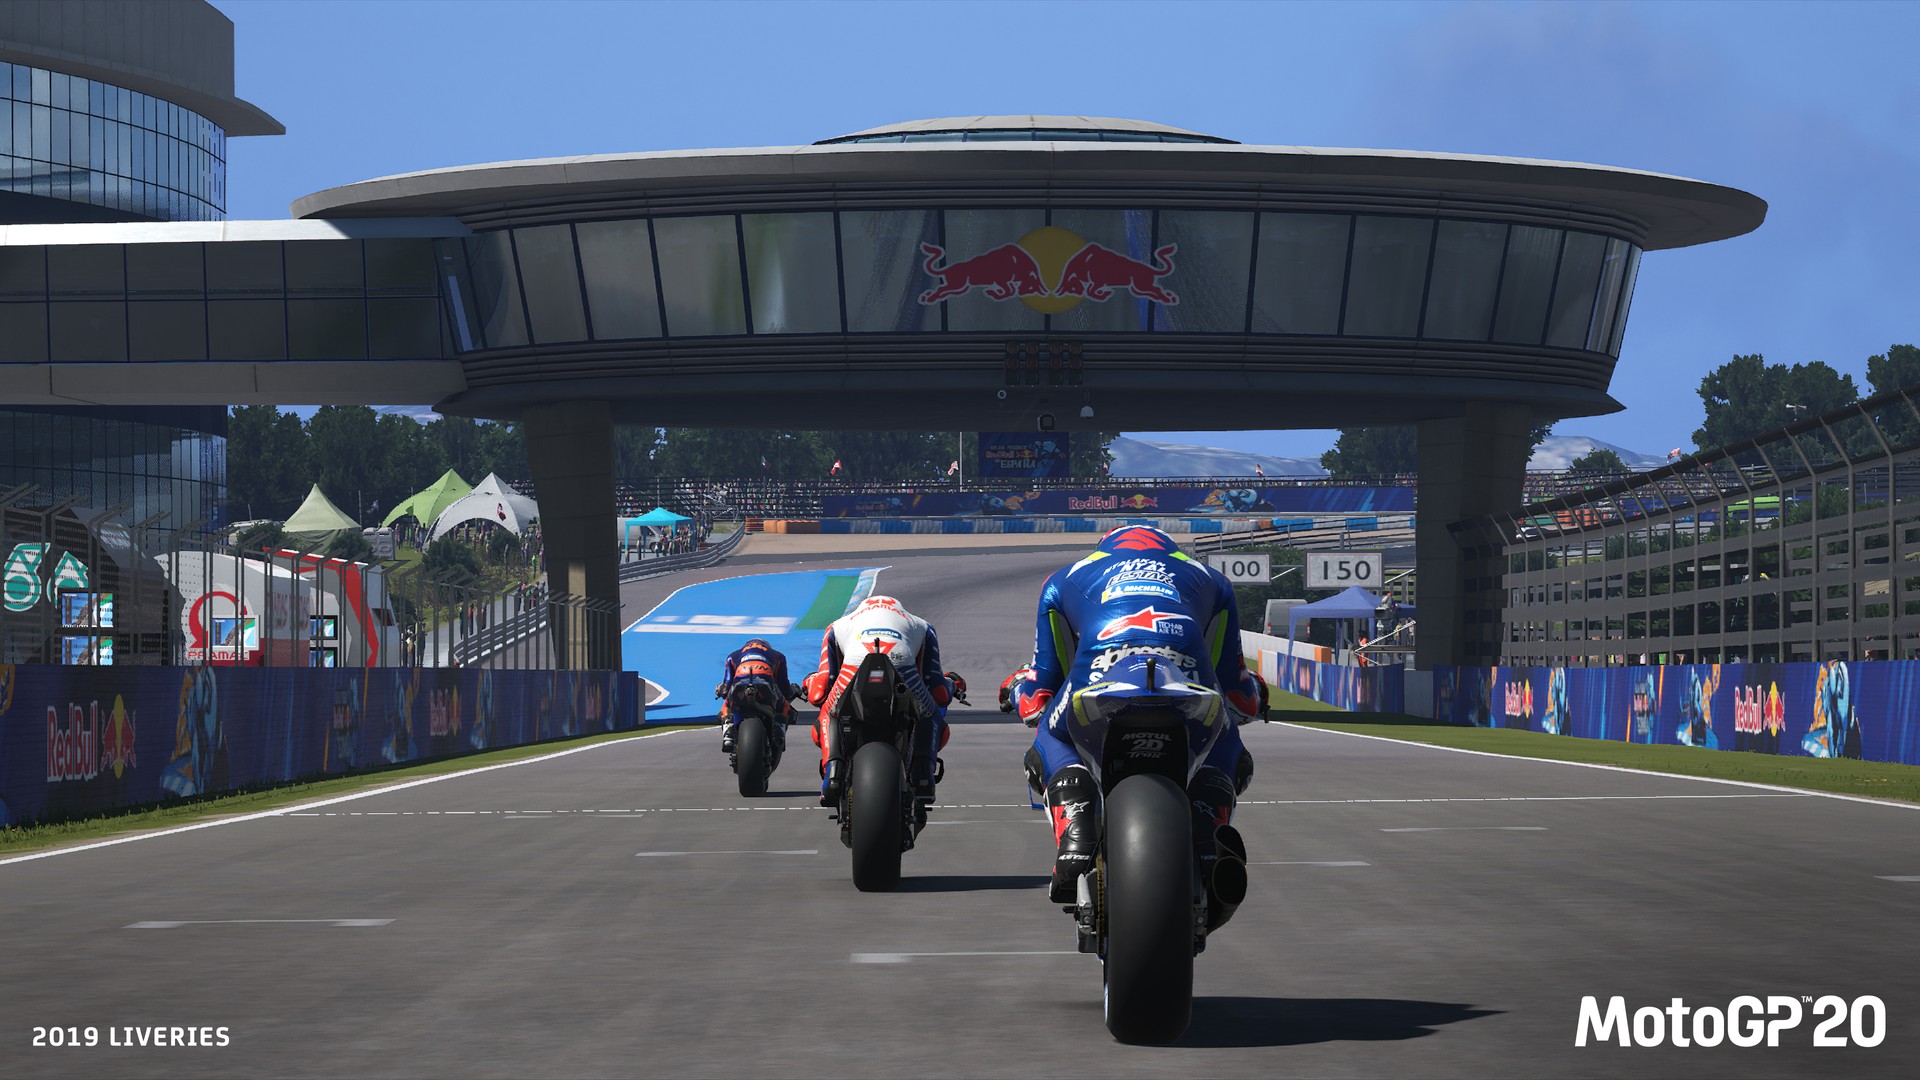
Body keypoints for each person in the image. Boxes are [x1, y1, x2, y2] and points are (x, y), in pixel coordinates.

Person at [1012, 525, 1266, 904]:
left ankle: (1076, 832)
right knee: (1224, 738)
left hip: (1100, 669)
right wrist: (1257, 693)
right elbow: (1240, 697)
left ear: (1105, 548)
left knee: (1053, 734)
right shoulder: (1211, 578)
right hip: (1182, 670)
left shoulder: (1066, 577)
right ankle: (1208, 834)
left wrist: (1017, 688)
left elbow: (1036, 697)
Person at [801, 595, 956, 809]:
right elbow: (939, 691)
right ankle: (923, 776)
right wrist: (952, 684)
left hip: (855, 663)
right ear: (898, 610)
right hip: (902, 662)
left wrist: (808, 681)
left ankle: (832, 775)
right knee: (930, 714)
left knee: (829, 714)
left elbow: (819, 691)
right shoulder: (921, 624)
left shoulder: (838, 625)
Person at [714, 637, 802, 752]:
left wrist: (720, 690)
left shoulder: (733, 655)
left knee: (727, 704)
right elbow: (784, 687)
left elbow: (726, 687)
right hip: (765, 683)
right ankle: (778, 731)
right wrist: (794, 691)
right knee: (784, 706)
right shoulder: (778, 655)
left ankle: (728, 728)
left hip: (740, 683)